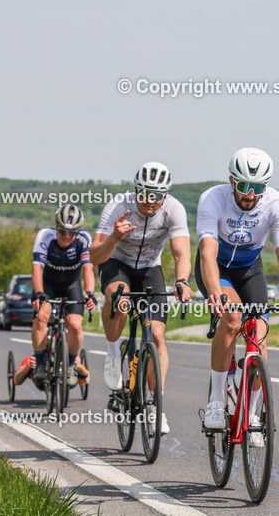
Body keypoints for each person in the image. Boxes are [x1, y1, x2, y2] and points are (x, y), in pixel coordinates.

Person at [197, 148, 279, 442]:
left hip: (249, 269)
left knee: (258, 334)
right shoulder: (213, 198)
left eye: (257, 188)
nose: (250, 194)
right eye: (244, 186)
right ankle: (216, 402)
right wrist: (213, 291)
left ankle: (252, 415)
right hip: (217, 267)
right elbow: (207, 251)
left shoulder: (277, 203)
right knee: (233, 318)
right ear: (232, 181)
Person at [90, 161, 192, 436]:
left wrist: (181, 281)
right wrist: (114, 236)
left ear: (165, 195)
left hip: (150, 268)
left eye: (157, 195)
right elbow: (94, 256)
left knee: (157, 335)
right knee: (119, 299)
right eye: (145, 194)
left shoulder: (174, 209)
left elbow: (182, 253)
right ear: (136, 190)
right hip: (117, 263)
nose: (150, 201)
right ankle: (113, 354)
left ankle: (156, 406)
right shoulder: (116, 205)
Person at [31, 204, 96, 386]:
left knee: (75, 326)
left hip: (71, 284)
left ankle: (70, 364)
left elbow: (87, 268)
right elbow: (37, 268)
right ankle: (41, 364)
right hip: (47, 284)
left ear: (78, 231)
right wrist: (38, 293)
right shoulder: (45, 236)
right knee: (42, 317)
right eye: (62, 231)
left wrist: (89, 293)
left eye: (72, 232)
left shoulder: (84, 239)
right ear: (56, 228)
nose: (67, 236)